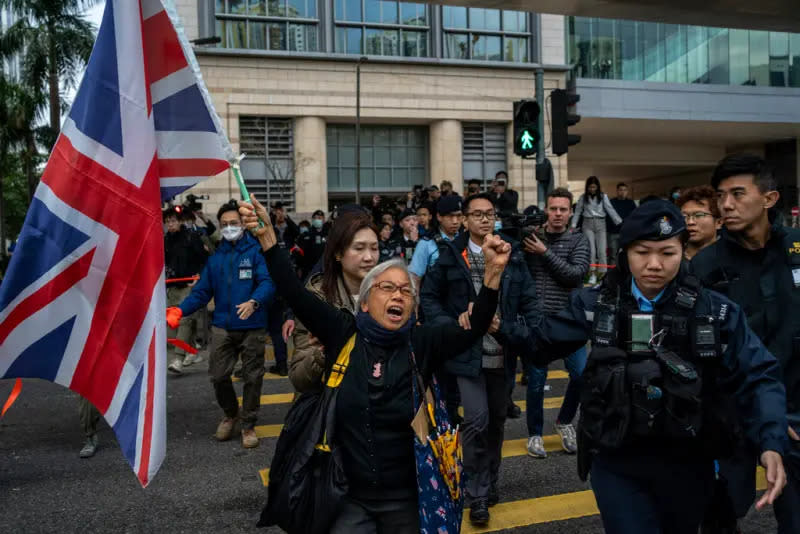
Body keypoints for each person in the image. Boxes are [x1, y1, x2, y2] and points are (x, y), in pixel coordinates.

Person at [239, 193, 511, 534]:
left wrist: (493, 275)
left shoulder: (422, 343)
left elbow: (477, 326)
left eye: (405, 291)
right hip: (349, 497)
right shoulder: (342, 332)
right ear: (365, 302)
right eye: (386, 288)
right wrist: (268, 239)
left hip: (409, 500)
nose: (398, 295)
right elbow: (293, 291)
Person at [526, 199, 788, 534]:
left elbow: (759, 375)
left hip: (689, 464)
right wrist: (493, 294)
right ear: (624, 254)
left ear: (683, 251)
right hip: (616, 462)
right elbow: (536, 346)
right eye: (642, 252)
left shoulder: (716, 312)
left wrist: (771, 442)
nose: (654, 264)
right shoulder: (595, 305)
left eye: (667, 253)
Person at [692, 154, 800, 533]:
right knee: (720, 516)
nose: (726, 205)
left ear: (769, 199)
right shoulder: (704, 266)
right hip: (730, 417)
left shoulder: (798, 249)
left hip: (795, 414)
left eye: (738, 194)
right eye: (721, 196)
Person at [420, 192, 540, 525]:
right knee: (475, 420)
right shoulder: (448, 255)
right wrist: (451, 323)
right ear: (465, 219)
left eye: (489, 214)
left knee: (497, 423)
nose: (484, 219)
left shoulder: (511, 254)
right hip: (465, 355)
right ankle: (476, 493)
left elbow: (529, 302)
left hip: (503, 352)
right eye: (477, 214)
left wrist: (517, 329)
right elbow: (429, 300)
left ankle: (490, 482)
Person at [166, 201, 275, 448]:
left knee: (252, 377)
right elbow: (201, 292)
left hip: (253, 325)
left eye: (234, 223)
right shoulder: (215, 259)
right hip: (223, 326)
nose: (229, 228)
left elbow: (268, 283)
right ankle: (231, 414)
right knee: (217, 376)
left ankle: (248, 424)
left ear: (243, 225)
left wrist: (254, 302)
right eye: (224, 224)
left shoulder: (256, 252)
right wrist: (179, 310)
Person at [522, 188, 591, 458]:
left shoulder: (579, 240)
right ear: (546, 210)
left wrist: (544, 252)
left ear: (571, 211)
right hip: (538, 324)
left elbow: (575, 275)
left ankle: (564, 421)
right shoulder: (532, 238)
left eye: (563, 209)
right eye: (553, 209)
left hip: (570, 323)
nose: (558, 214)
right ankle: (535, 434)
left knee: (581, 376)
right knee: (536, 382)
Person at [287, 212, 379, 393]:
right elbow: (299, 379)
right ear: (338, 253)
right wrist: (321, 352)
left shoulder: (391, 291)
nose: (369, 257)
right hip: (331, 404)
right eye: (359, 248)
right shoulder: (316, 298)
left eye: (374, 248)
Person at [163, 206, 208, 373]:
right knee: (173, 325)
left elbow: (205, 259)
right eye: (167, 222)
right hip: (172, 286)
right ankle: (192, 352)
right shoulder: (166, 240)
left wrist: (198, 276)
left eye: (173, 221)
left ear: (180, 221)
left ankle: (178, 359)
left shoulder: (191, 237)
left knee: (185, 320)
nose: (170, 224)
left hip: (189, 286)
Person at [572, 176, 622, 285]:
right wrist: (573, 225)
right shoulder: (583, 197)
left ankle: (602, 275)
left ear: (597, 187)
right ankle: (592, 274)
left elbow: (610, 209)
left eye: (594, 187)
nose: (592, 189)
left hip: (601, 224)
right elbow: (577, 212)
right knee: (591, 251)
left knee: (602, 251)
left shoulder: (603, 197)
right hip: (587, 223)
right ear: (587, 187)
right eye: (590, 187)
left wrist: (619, 222)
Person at [267, 201, 299, 376]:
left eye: (281, 210)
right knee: (270, 327)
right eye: (276, 211)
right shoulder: (270, 227)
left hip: (285, 280)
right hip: (269, 279)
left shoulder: (289, 229)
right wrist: (273, 219)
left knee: (278, 326)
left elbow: (297, 233)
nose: (279, 213)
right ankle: (280, 363)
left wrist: (286, 218)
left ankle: (282, 363)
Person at [408, 195, 463, 287]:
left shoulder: (465, 239)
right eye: (450, 216)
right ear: (439, 217)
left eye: (459, 216)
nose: (455, 221)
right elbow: (415, 278)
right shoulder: (426, 244)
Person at [676, 185, 721, 260]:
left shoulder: (732, 257)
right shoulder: (674, 258)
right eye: (684, 216)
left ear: (719, 222)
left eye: (699, 215)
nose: (690, 222)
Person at [295, 209, 328, 280]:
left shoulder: (328, 234)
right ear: (312, 220)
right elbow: (299, 253)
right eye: (315, 218)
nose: (317, 220)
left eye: (319, 218)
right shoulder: (306, 235)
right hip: (308, 269)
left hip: (324, 269)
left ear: (324, 220)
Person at [607, 182, 637, 257]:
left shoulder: (631, 203)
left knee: (626, 254)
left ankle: (624, 268)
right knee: (613, 254)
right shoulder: (611, 202)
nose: (623, 192)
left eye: (625, 190)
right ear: (617, 191)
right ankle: (613, 269)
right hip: (613, 232)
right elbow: (608, 217)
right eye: (621, 190)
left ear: (627, 191)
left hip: (626, 232)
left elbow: (634, 216)